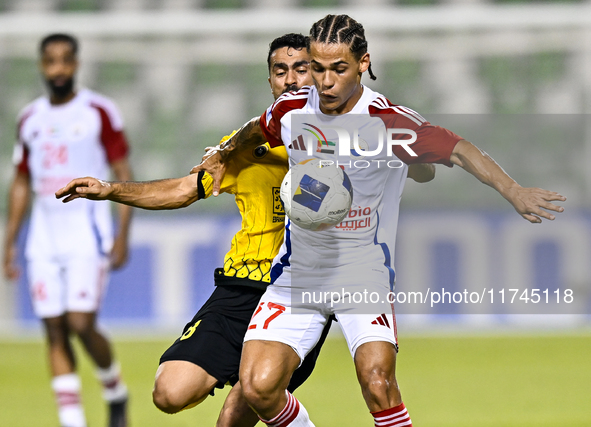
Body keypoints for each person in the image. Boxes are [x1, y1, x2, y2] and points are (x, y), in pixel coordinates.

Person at [188, 14, 567, 427]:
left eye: (339, 69)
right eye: (317, 67)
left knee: (377, 383)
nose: (325, 81)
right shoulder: (292, 109)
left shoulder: (389, 121)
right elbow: (256, 129)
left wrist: (513, 190)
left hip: (362, 272)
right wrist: (225, 154)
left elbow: (459, 150)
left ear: (363, 63)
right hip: (300, 271)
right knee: (258, 386)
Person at [55, 32, 436, 427]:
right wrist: (109, 189)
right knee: (169, 393)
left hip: (305, 286)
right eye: (279, 71)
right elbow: (184, 189)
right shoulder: (247, 144)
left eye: (301, 68)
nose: (290, 79)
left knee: (239, 413)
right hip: (242, 284)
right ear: (269, 80)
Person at [3, 34, 132, 427]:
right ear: (42, 66)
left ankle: (114, 390)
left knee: (79, 322)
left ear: (75, 65)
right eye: (50, 61)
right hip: (42, 239)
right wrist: (9, 240)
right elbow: (22, 181)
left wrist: (123, 233)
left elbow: (122, 174)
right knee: (54, 329)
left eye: (64, 61)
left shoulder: (98, 111)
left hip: (85, 233)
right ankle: (72, 422)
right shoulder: (30, 119)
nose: (57, 69)